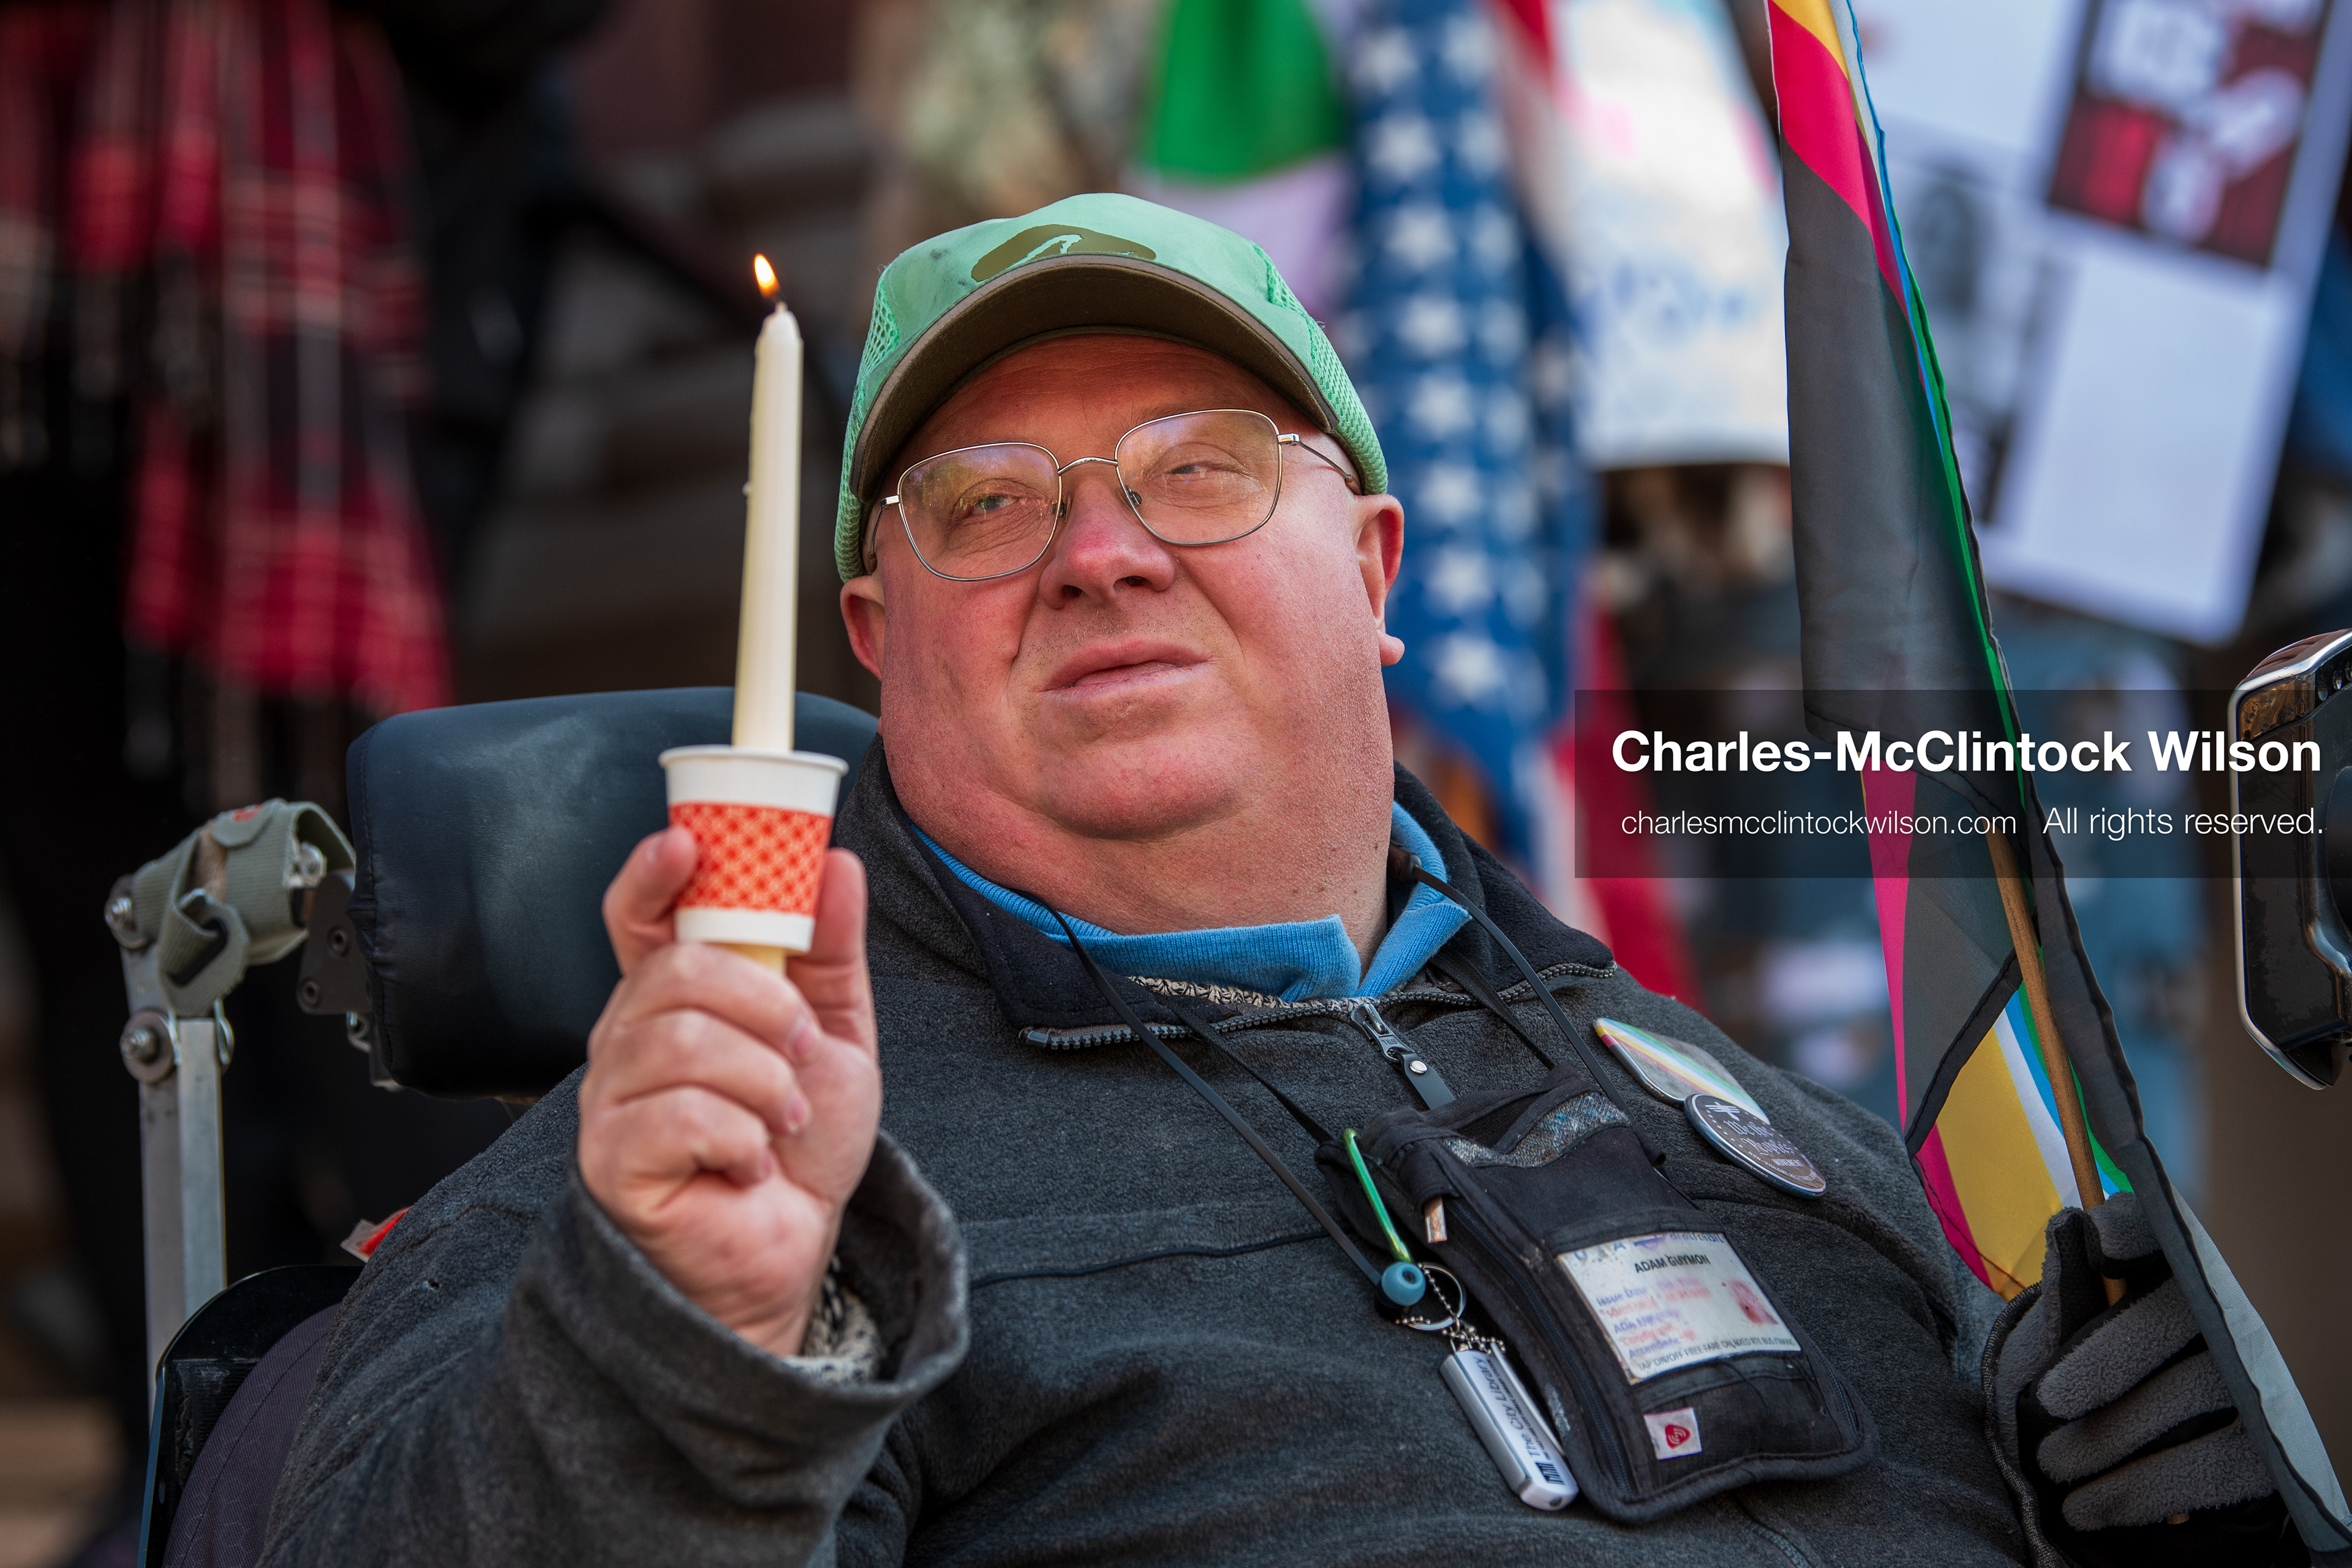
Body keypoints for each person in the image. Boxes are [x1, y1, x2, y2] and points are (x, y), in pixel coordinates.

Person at [256, 194, 2300, 1567]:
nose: (1101, 551)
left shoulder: (1765, 1120)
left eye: (1200, 467)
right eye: (986, 505)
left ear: (1378, 571)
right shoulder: (721, 1162)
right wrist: (681, 1353)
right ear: (877, 639)